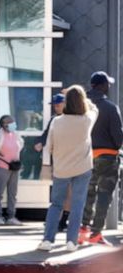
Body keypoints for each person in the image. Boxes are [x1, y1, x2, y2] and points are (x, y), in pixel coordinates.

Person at [38, 85, 98, 252]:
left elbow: (48, 146)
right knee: (78, 205)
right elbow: (94, 108)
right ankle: (71, 241)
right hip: (83, 168)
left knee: (56, 204)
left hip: (61, 169)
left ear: (66, 103)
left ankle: (47, 240)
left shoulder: (57, 121)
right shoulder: (87, 120)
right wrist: (81, 97)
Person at [79, 71, 123, 245]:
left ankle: (82, 230)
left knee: (86, 194)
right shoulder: (111, 108)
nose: (109, 86)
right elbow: (118, 138)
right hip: (107, 157)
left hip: (85, 155)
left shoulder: (82, 105)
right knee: (104, 196)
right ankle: (96, 234)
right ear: (102, 85)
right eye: (108, 83)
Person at [34, 93, 71, 231]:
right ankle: (57, 220)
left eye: (58, 104)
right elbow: (46, 134)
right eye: (54, 105)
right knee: (59, 191)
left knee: (70, 192)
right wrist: (39, 142)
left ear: (66, 104)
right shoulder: (54, 119)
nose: (56, 107)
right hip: (58, 160)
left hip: (73, 160)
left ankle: (63, 221)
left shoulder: (74, 119)